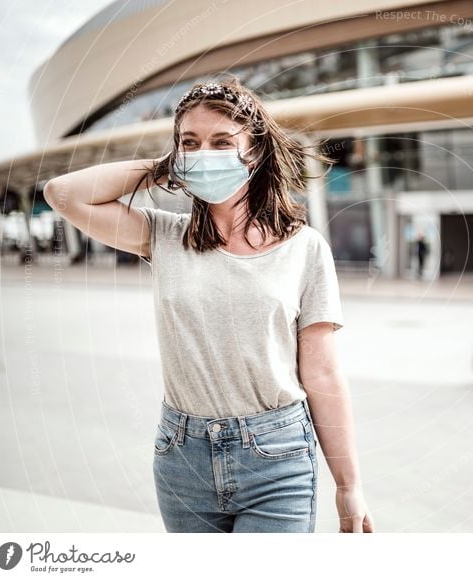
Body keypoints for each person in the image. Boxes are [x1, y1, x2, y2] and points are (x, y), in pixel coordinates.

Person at [43, 76, 373, 533]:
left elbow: (322, 372)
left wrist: (348, 484)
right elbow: (62, 194)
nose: (205, 154)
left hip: (277, 457)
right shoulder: (162, 236)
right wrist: (163, 166)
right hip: (183, 458)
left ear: (254, 152)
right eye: (190, 143)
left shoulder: (305, 248)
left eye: (222, 142)